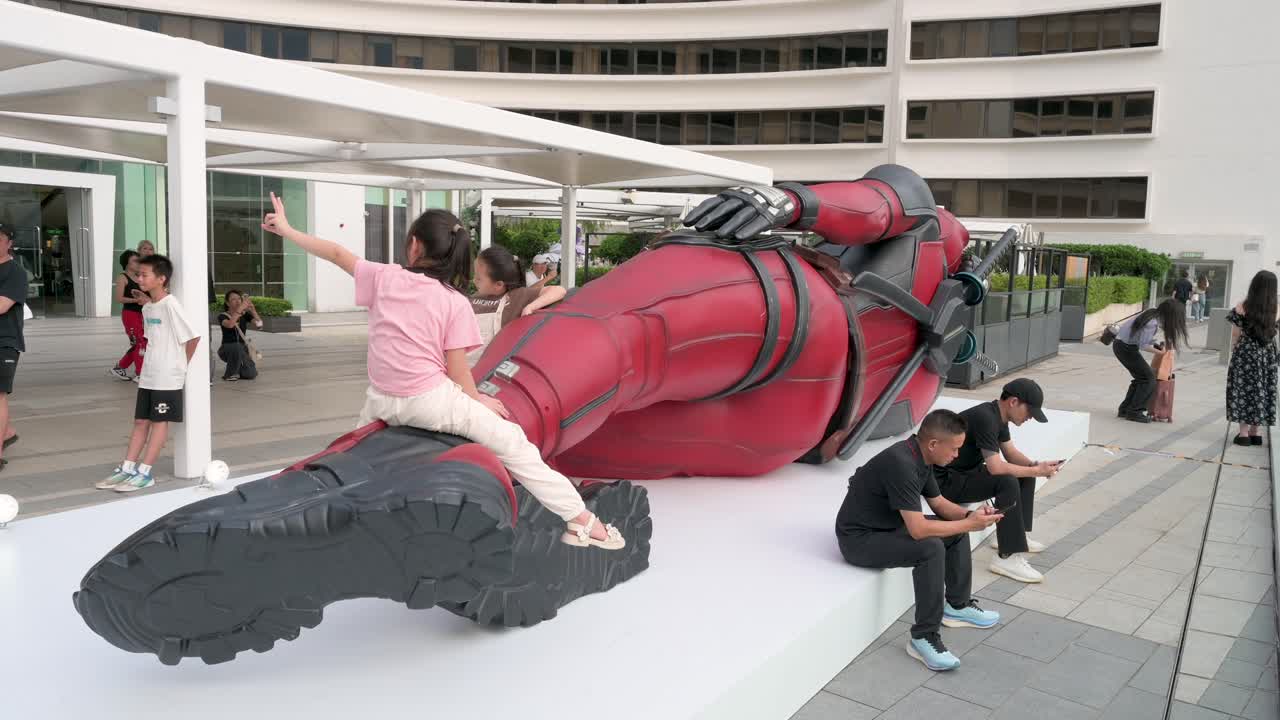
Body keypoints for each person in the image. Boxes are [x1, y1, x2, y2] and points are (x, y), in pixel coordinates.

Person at [260, 193, 624, 550]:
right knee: (515, 446)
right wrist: (478, 399)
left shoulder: (385, 277)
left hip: (380, 400)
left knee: (349, 458)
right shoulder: (453, 302)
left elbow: (338, 254)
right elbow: (456, 369)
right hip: (429, 402)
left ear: (414, 245)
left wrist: (288, 230)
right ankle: (581, 521)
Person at [836, 409, 1003, 672]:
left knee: (952, 529)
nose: (957, 455)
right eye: (955, 449)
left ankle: (957, 606)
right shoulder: (901, 463)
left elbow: (939, 504)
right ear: (934, 444)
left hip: (888, 527)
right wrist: (969, 523)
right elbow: (918, 530)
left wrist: (971, 515)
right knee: (930, 547)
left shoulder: (923, 457)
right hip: (859, 540)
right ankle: (923, 637)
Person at [936, 378, 1058, 584]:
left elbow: (1010, 453)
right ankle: (1007, 557)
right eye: (1029, 412)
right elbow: (996, 467)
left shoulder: (998, 416)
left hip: (966, 473)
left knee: (1026, 473)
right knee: (1008, 481)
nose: (1030, 418)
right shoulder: (986, 418)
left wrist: (1036, 465)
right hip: (947, 481)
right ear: (1013, 402)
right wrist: (1037, 470)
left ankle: (1016, 535)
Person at [96, 254, 200, 492]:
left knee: (158, 422)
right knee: (141, 420)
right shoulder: (150, 307)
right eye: (138, 274)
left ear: (161, 279)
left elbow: (193, 337)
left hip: (167, 377)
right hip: (149, 375)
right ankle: (127, 468)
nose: (139, 279)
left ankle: (145, 472)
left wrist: (180, 367)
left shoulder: (170, 304)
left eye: (144, 275)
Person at [469, 245, 566, 364]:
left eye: (479, 279)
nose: (473, 281)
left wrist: (531, 307)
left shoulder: (518, 296)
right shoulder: (474, 297)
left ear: (499, 285)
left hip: (487, 370)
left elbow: (559, 290)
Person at [1113, 298, 1188, 423]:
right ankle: (1135, 411)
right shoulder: (1152, 323)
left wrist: (1156, 344)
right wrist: (1161, 352)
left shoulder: (1152, 313)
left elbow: (1141, 336)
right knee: (1149, 379)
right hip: (1125, 348)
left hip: (1122, 345)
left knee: (1142, 378)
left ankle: (1125, 409)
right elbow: (1144, 345)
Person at [1226, 270, 1278, 446]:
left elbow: (1235, 334)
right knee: (1262, 389)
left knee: (1243, 390)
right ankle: (1256, 434)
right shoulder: (1277, 308)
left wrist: (1235, 349)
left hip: (1246, 353)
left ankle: (1243, 435)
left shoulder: (1243, 306)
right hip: (1267, 353)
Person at [0, 223, 25, 469]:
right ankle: (7, 432)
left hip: (4, 342)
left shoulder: (15, 272)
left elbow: (2, 306)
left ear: (9, 243)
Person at [109, 249, 148, 382]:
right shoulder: (122, 277)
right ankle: (140, 374)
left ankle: (120, 367)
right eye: (134, 261)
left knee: (140, 343)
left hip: (142, 314)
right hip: (130, 314)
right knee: (140, 343)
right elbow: (119, 298)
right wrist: (136, 300)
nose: (137, 263)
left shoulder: (140, 277)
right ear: (127, 263)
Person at [217, 290, 262, 381]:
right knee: (236, 346)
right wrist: (239, 310)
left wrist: (253, 310)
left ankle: (239, 369)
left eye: (239, 299)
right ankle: (230, 374)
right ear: (227, 303)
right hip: (227, 348)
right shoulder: (222, 316)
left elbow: (259, 325)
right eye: (233, 299)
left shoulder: (245, 315)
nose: (237, 301)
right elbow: (230, 325)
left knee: (251, 374)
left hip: (242, 348)